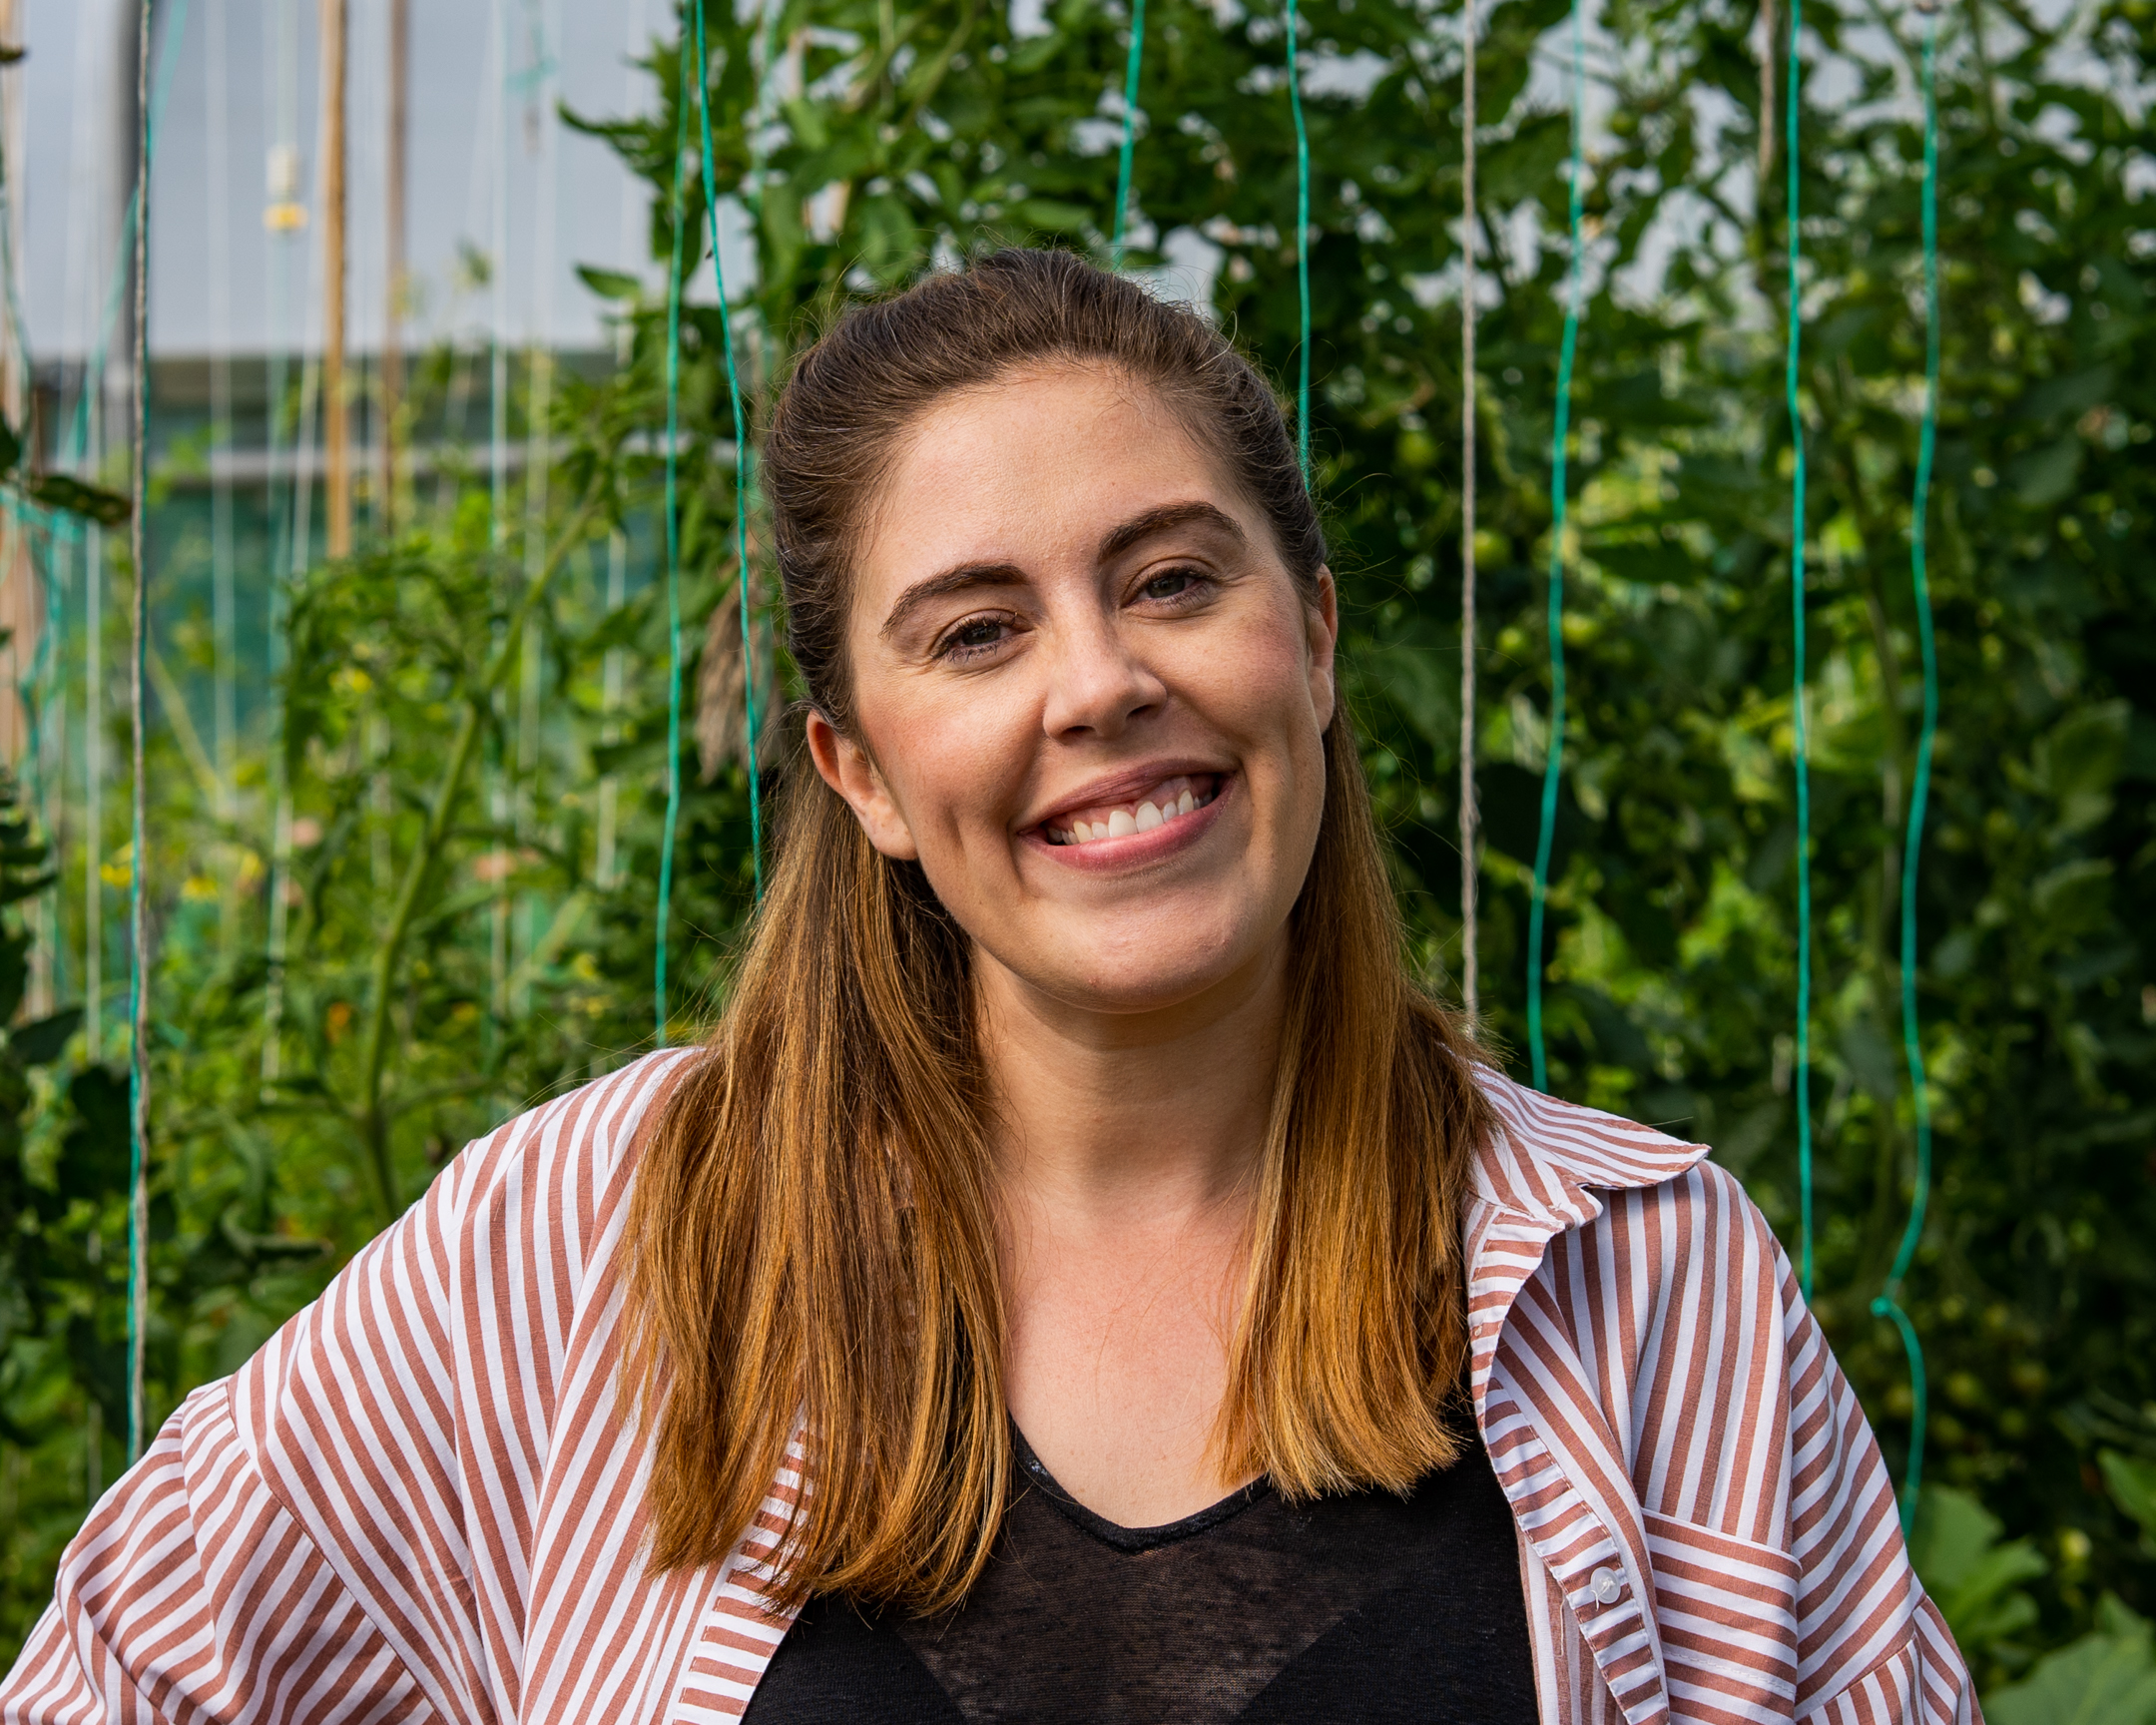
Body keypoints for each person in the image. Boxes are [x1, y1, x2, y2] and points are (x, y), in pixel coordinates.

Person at [0, 249, 1975, 1725]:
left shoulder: (1646, 1286)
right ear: (854, 764)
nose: (1098, 682)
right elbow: (121, 1676)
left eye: (1175, 578)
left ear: (1314, 638)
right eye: (975, 629)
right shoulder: (594, 1240)